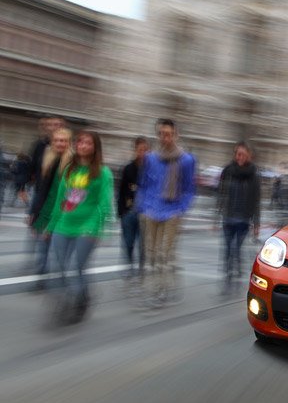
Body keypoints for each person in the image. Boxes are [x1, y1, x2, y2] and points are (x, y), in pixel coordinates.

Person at [47, 130, 113, 323]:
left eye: (88, 143)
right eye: (80, 142)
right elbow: (61, 198)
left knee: (76, 266)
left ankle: (79, 302)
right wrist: (51, 224)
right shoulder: (69, 169)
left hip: (87, 225)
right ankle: (65, 300)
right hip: (65, 223)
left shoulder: (103, 172)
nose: (83, 145)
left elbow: (104, 203)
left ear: (95, 147)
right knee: (58, 265)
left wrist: (97, 228)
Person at [136, 119, 196, 308]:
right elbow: (144, 183)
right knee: (150, 253)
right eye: (162, 134)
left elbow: (189, 187)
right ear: (158, 135)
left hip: (172, 211)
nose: (166, 138)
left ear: (175, 135)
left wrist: (181, 209)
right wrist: (143, 206)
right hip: (151, 210)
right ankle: (154, 288)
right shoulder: (151, 158)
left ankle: (162, 289)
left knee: (165, 253)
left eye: (169, 134)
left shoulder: (186, 160)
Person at [29, 128, 74, 281]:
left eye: (63, 140)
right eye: (56, 140)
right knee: (43, 246)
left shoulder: (74, 162)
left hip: (65, 212)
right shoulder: (48, 160)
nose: (59, 143)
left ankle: (62, 276)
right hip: (47, 209)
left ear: (68, 143)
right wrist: (34, 213)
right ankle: (41, 276)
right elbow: (41, 191)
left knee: (62, 249)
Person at [217, 142, 260, 292]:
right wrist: (216, 215)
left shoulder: (254, 174)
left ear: (248, 156)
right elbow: (221, 193)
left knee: (236, 247)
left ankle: (237, 268)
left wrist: (256, 224)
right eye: (237, 154)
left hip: (243, 218)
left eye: (242, 154)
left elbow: (256, 200)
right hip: (228, 216)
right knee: (228, 248)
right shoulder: (227, 170)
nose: (239, 157)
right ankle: (228, 276)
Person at [118, 136, 149, 278]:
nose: (142, 153)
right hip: (129, 211)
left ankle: (142, 267)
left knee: (143, 244)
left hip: (145, 212)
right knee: (128, 242)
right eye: (140, 150)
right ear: (135, 150)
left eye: (145, 150)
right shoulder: (128, 168)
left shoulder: (151, 169)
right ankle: (129, 265)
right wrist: (121, 212)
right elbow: (121, 190)